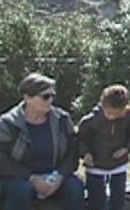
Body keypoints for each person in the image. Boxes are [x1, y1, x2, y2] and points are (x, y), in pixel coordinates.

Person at [0, 72, 85, 210]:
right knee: (20, 191)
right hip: (19, 177)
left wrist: (60, 177)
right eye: (45, 96)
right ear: (27, 97)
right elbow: (2, 159)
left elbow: (72, 152)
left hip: (55, 176)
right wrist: (31, 178)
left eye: (52, 96)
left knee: (75, 188)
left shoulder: (62, 119)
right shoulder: (8, 123)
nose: (50, 100)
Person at [78, 85, 130, 210]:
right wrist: (85, 153)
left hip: (119, 166)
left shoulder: (128, 117)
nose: (112, 117)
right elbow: (82, 140)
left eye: (117, 114)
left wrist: (127, 148)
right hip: (96, 167)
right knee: (97, 202)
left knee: (118, 201)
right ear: (102, 105)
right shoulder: (90, 121)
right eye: (109, 113)